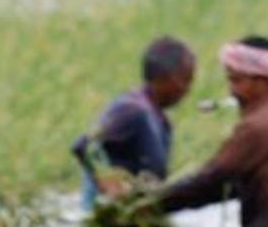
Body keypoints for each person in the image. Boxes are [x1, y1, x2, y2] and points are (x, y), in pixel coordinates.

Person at [157, 36, 268, 227]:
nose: (232, 90)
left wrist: (148, 204)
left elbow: (211, 180)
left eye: (237, 80)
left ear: (262, 81)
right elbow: (227, 186)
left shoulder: (258, 127)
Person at [70, 36, 195, 202]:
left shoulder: (160, 119)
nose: (187, 89)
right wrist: (107, 182)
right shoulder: (132, 110)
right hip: (108, 215)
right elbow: (84, 144)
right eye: (185, 80)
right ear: (164, 77)